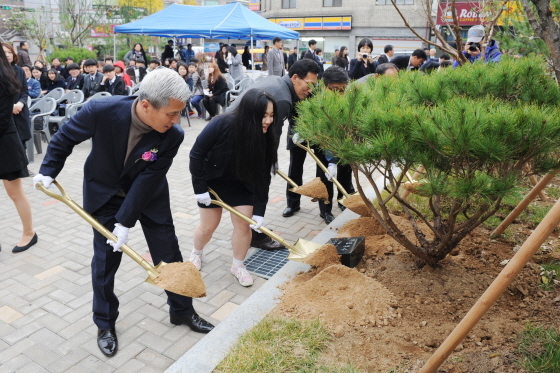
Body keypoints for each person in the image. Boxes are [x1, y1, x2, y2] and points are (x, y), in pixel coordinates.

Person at [33, 68, 214, 357]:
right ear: (146, 105)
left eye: (179, 113)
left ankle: (182, 310)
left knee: (168, 253)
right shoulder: (100, 110)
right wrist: (47, 170)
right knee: (105, 261)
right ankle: (105, 323)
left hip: (149, 194)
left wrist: (125, 222)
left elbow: (147, 180)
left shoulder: (172, 135)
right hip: (104, 193)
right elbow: (65, 137)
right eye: (170, 113)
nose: (176, 120)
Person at [228, 59, 320, 250]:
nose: (310, 90)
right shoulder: (282, 99)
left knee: (252, 187)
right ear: (295, 78)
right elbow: (271, 135)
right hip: (236, 140)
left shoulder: (279, 83)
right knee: (257, 186)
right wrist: (270, 161)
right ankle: (254, 234)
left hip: (239, 137)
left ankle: (250, 229)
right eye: (309, 84)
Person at [189, 89, 278, 286]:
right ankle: (196, 253)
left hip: (242, 185)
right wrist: (200, 188)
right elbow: (196, 154)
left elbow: (263, 176)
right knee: (207, 227)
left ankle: (238, 265)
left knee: (243, 225)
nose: (268, 121)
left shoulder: (266, 135)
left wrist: (260, 211)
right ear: (249, 113)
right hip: (213, 183)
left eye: (271, 115)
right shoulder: (222, 124)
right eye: (263, 116)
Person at [297, 66, 355, 224]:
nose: (338, 94)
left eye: (342, 90)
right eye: (334, 89)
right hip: (323, 147)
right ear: (324, 86)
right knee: (325, 179)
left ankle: (344, 200)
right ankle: (325, 210)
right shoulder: (314, 101)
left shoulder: (350, 100)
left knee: (344, 175)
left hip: (343, 146)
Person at [0, 43, 37, 253]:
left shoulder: (7, 75)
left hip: (5, 141)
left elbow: (3, 117)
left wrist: (21, 104)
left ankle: (29, 233)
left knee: (15, 193)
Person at [2, 43, 32, 152]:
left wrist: (20, 103)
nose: (8, 55)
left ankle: (24, 168)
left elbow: (24, 90)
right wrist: (10, 107)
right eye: (4, 52)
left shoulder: (19, 70)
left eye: (10, 52)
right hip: (4, 113)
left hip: (20, 111)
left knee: (21, 143)